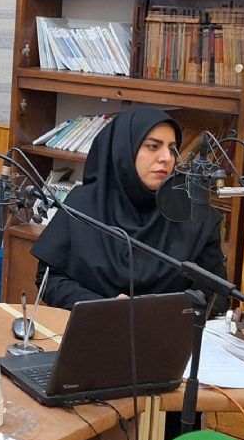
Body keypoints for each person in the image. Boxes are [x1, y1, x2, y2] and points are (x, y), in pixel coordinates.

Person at [31, 106, 227, 312]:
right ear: (123, 150)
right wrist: (101, 307)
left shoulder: (194, 214)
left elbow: (216, 295)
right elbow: (50, 279)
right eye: (153, 146)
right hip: (94, 324)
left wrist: (155, 313)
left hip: (166, 329)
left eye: (172, 148)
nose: (166, 158)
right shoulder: (82, 205)